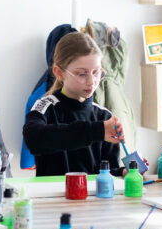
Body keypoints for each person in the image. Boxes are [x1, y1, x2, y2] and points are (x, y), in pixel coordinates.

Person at [22, 31, 126, 176]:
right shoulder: (45, 107)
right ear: (59, 73)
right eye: (82, 74)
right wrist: (96, 131)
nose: (91, 81)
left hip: (93, 198)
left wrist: (124, 172)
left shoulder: (104, 117)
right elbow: (33, 139)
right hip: (53, 197)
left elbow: (108, 171)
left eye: (96, 72)